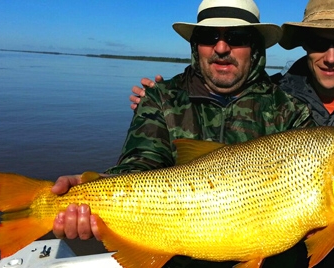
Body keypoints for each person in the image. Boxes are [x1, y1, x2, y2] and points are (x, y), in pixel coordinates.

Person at [131, 0, 334, 267]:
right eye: (209, 37)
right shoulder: (283, 92)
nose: (330, 56)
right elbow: (144, 164)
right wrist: (154, 104)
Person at [51, 0, 315, 267]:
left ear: (255, 47)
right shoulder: (161, 98)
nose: (221, 48)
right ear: (195, 45)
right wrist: (96, 188)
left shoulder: (289, 110)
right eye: (208, 37)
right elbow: (141, 163)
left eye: (237, 37)